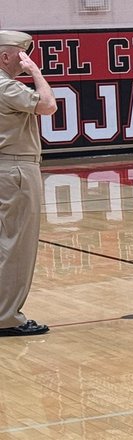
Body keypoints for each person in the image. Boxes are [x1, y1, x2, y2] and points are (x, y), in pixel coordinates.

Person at [0, 30, 57, 337]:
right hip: (15, 170)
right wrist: (36, 72)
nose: (25, 60)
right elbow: (48, 105)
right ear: (5, 56)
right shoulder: (6, 86)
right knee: (16, 246)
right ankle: (7, 317)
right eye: (22, 55)